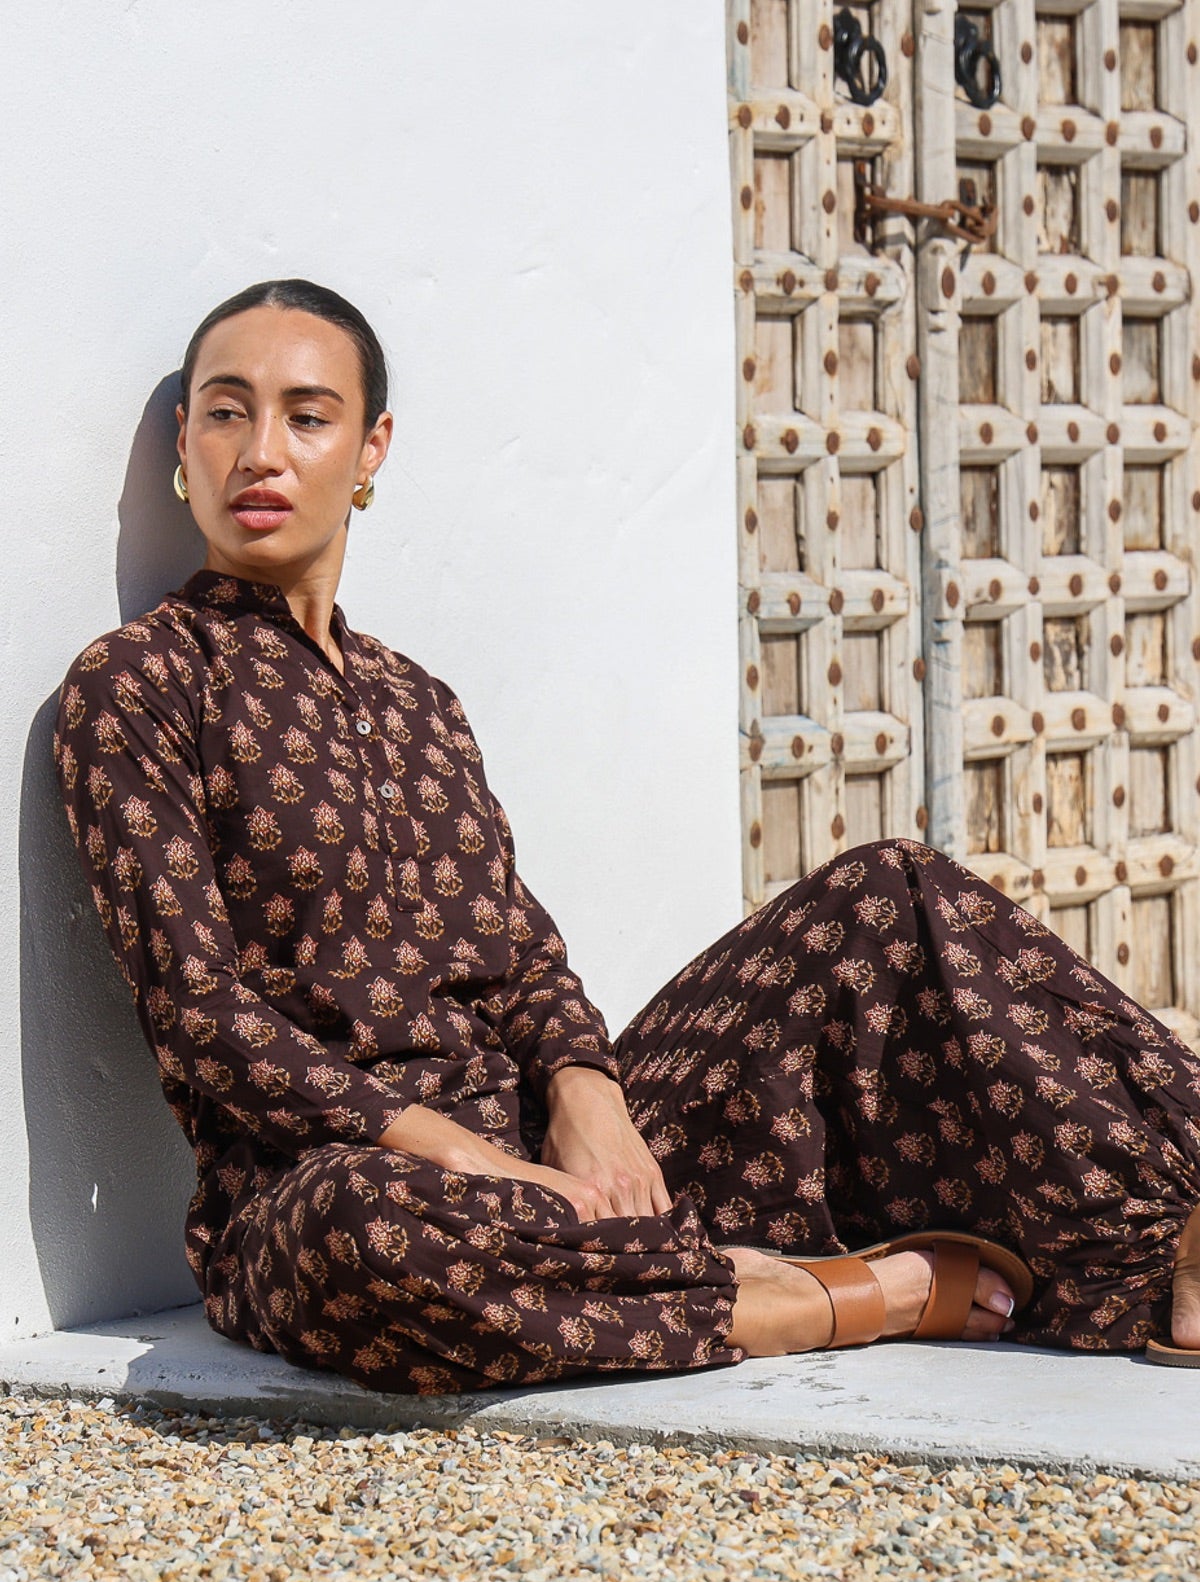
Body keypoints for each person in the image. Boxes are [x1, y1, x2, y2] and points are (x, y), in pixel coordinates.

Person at [54, 280, 1200, 1396]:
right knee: (364, 1236)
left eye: (308, 417)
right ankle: (810, 1301)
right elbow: (199, 1014)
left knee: (885, 895)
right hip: (342, 1189)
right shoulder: (143, 684)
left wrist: (586, 1097)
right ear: (182, 443)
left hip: (556, 1176)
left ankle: (1176, 1244)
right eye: (224, 410)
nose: (261, 451)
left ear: (370, 453)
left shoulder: (419, 702)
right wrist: (464, 1159)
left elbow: (523, 955)